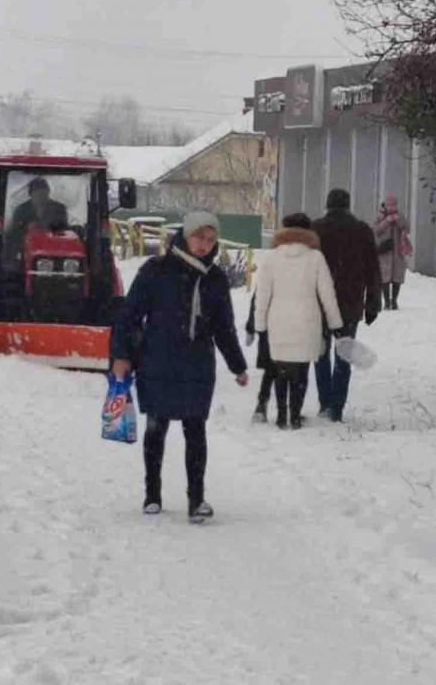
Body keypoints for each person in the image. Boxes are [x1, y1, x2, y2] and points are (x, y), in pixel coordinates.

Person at [110, 211, 249, 523]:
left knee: (195, 429)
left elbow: (223, 327)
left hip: (197, 363)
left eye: (211, 239)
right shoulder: (156, 270)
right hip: (157, 359)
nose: (204, 244)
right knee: (156, 426)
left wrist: (237, 365)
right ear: (185, 235)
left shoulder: (215, 278)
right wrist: (121, 356)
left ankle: (196, 499)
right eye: (199, 237)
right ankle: (152, 494)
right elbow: (129, 315)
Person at [252, 213, 344, 430]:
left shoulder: (272, 257)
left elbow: (263, 294)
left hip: (279, 320)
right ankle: (295, 415)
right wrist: (335, 324)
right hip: (307, 320)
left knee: (281, 369)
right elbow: (327, 294)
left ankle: (282, 416)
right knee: (301, 371)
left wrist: (260, 324)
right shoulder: (316, 257)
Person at [311, 188, 382, 423]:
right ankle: (335, 408)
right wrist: (373, 302)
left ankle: (325, 402)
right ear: (347, 205)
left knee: (320, 355)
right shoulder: (362, 231)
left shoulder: (316, 229)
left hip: (320, 303)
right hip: (350, 304)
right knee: (344, 356)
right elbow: (373, 269)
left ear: (328, 205)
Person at [2, 177, 69, 271]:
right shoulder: (21, 210)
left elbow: (64, 230)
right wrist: (27, 229)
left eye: (44, 193)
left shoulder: (59, 208)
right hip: (26, 247)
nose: (41, 196)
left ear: (48, 192)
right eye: (37, 193)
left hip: (53, 245)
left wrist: (49, 229)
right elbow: (15, 231)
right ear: (31, 194)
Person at [373, 191, 412, 310]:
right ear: (385, 205)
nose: (392, 209)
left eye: (394, 206)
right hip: (384, 251)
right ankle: (387, 302)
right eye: (390, 206)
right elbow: (375, 229)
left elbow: (407, 228)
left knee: (397, 277)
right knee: (384, 277)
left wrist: (398, 220)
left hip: (397, 251)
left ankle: (394, 301)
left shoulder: (400, 214)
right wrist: (387, 220)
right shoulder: (379, 215)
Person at [244, 288, 276, 424]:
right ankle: (262, 405)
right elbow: (258, 299)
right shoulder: (269, 269)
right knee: (272, 367)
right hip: (270, 326)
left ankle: (264, 405)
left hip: (283, 324)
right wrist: (251, 328)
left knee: (276, 368)